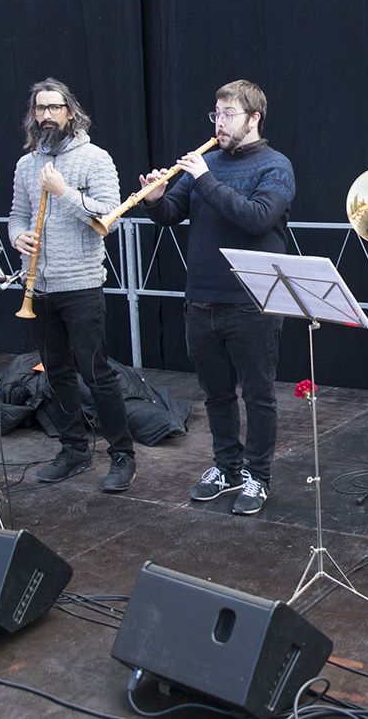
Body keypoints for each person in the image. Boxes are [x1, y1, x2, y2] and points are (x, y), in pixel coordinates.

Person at [141, 80, 295, 516]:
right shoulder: (206, 164)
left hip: (252, 302)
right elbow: (172, 213)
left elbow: (256, 218)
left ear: (254, 118)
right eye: (216, 114)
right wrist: (155, 200)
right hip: (202, 298)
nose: (220, 123)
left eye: (228, 114)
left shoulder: (275, 166)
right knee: (216, 394)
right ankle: (225, 466)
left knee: (258, 394)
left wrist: (204, 179)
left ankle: (257, 475)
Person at [8, 79, 136, 492]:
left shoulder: (95, 159)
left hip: (80, 285)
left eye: (54, 107)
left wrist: (62, 193)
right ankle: (74, 450)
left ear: (70, 111)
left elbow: (107, 218)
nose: (46, 115)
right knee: (55, 372)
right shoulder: (26, 164)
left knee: (96, 372)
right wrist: (17, 237)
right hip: (38, 287)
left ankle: (122, 456)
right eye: (40, 108)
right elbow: (16, 216)